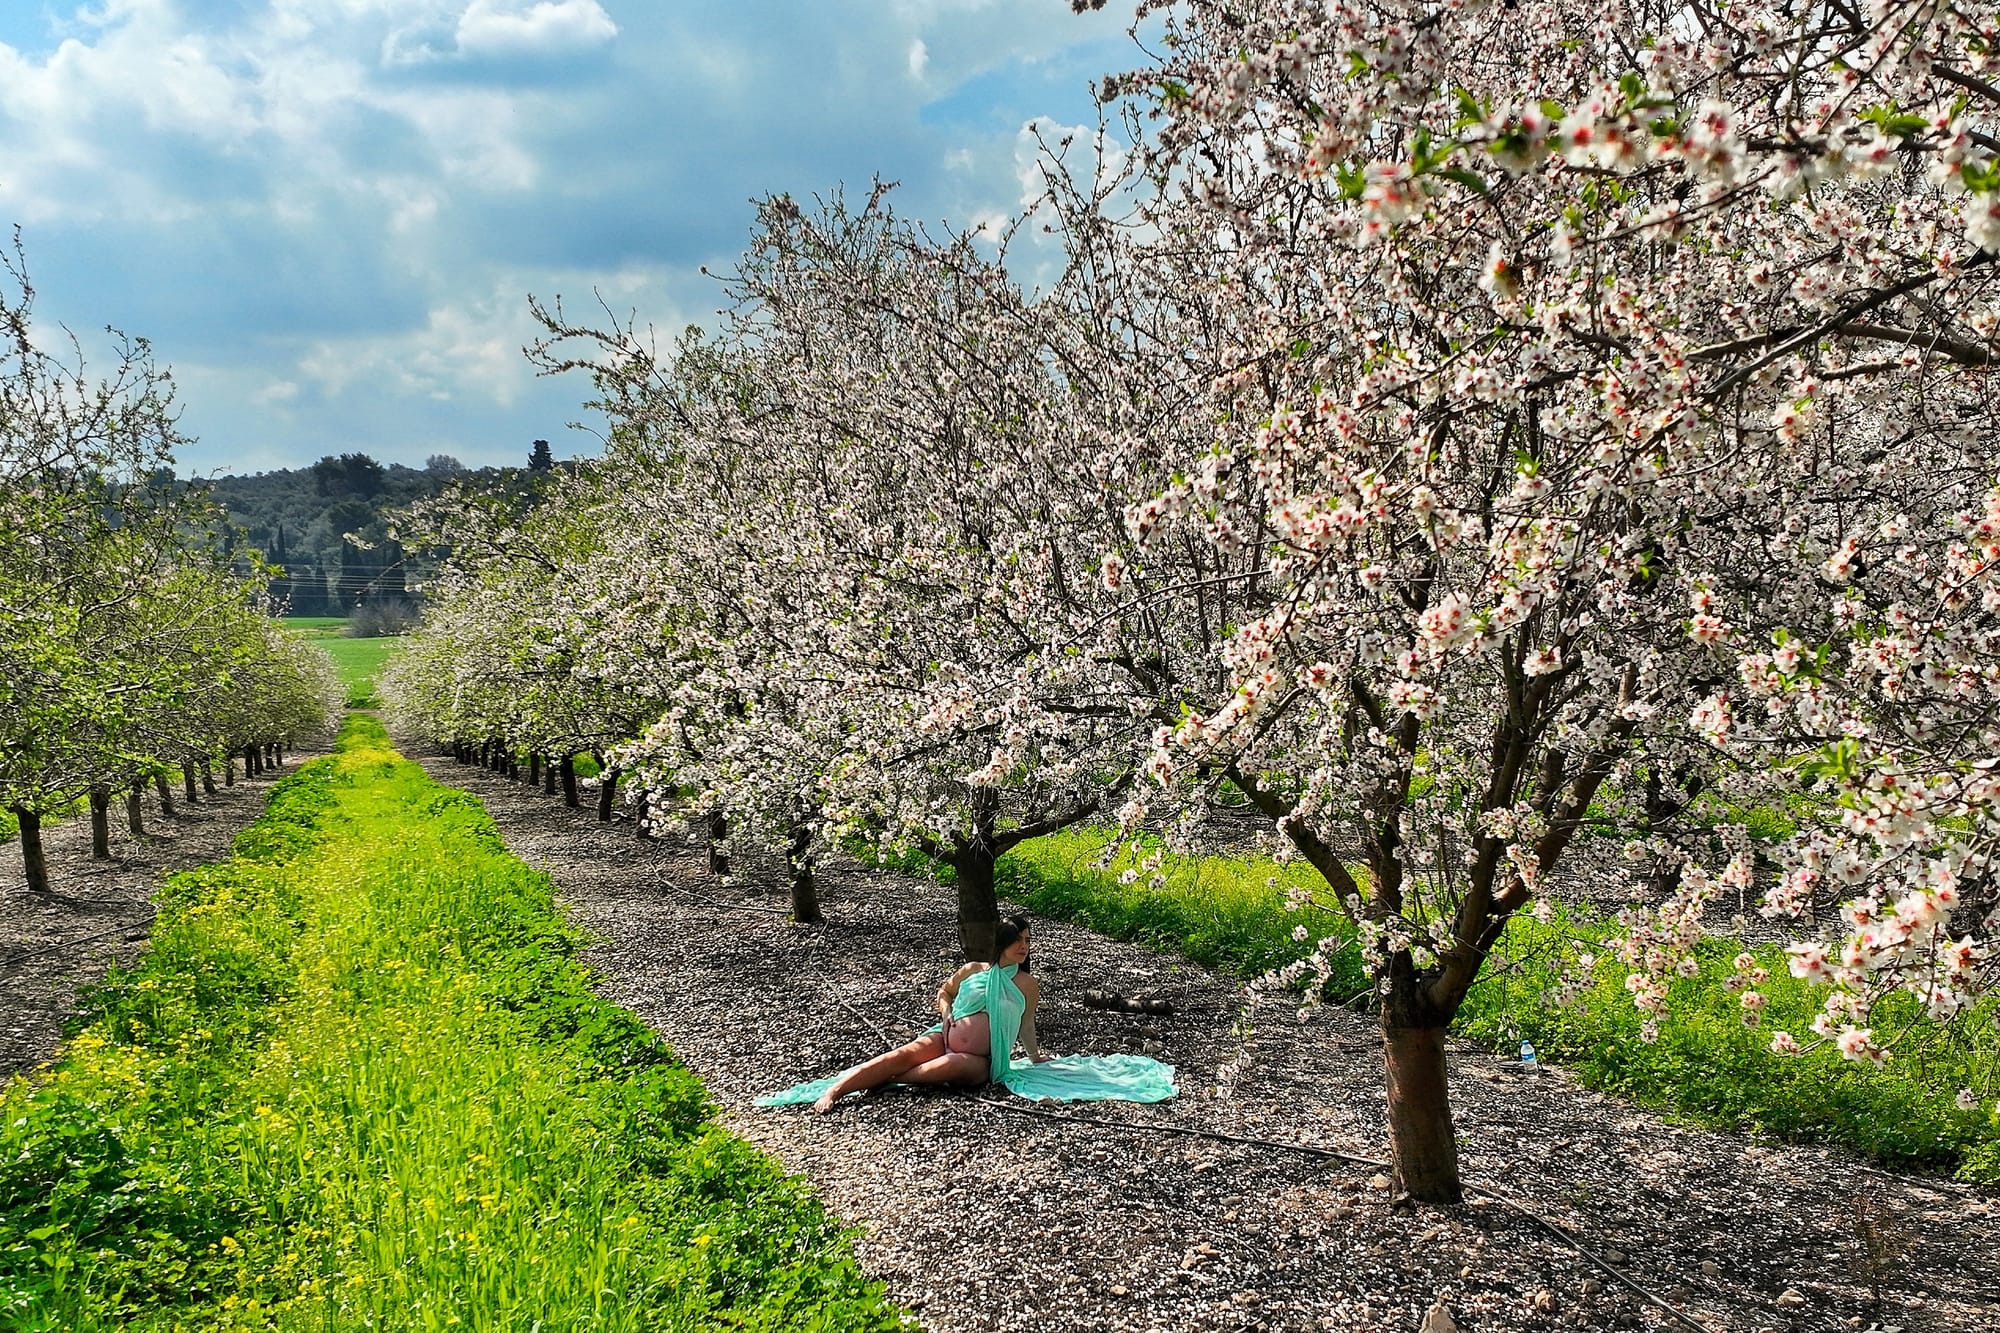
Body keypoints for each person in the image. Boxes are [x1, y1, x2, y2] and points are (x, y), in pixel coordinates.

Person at [756, 914, 1177, 1112]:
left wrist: (1034, 1058)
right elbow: (945, 992)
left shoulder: (1027, 983)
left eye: (1028, 942)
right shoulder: (973, 970)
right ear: (1001, 943)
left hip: (981, 1060)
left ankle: (884, 1084)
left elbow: (1026, 1025)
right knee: (899, 1055)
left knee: (945, 1066)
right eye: (1018, 942)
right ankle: (837, 1090)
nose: (1024, 948)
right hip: (944, 1034)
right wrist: (944, 1013)